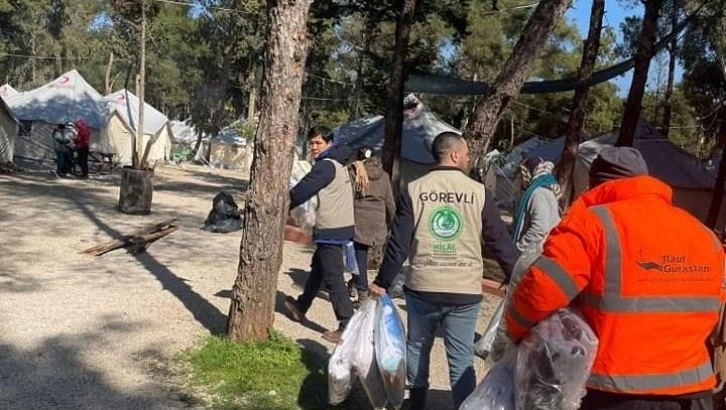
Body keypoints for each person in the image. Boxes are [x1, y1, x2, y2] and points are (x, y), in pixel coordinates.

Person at [505, 146, 725, 410]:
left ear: (595, 184)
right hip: (693, 391)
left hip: (619, 391)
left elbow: (541, 291)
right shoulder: (702, 234)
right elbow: (715, 310)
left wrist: (514, 332)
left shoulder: (591, 224)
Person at [370, 132, 521, 409]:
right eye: (465, 153)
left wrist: (382, 281)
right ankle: (465, 405)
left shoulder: (414, 189)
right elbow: (498, 240)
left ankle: (415, 404)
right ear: (453, 154)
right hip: (464, 290)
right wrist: (518, 274)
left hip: (423, 286)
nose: (468, 158)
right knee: (461, 358)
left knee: (417, 348)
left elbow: (399, 243)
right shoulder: (478, 192)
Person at [284, 126, 356, 344]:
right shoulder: (338, 163)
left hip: (331, 230)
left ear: (329, 143)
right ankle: (301, 305)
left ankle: (347, 325)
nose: (314, 147)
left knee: (334, 279)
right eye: (311, 143)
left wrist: (282, 203)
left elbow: (302, 190)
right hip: (339, 227)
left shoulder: (325, 166)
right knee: (319, 270)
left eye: (319, 143)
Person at [347, 146, 395, 307]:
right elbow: (389, 201)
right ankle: (355, 283)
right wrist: (394, 221)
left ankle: (361, 295)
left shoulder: (355, 172)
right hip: (378, 223)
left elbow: (349, 196)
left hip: (359, 221)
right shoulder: (384, 175)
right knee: (371, 259)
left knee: (359, 258)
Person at [511, 156, 561, 251]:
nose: (521, 179)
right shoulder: (541, 190)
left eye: (522, 175)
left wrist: (520, 248)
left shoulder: (539, 193)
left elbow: (539, 228)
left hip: (537, 253)